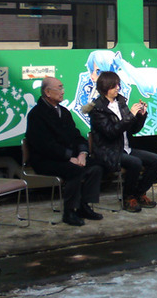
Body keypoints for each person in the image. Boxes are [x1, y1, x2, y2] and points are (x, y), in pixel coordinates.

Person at [26, 77, 103, 226]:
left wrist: (82, 153)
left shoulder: (64, 112)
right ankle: (69, 211)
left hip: (68, 156)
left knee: (96, 166)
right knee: (75, 170)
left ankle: (84, 205)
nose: (63, 91)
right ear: (48, 92)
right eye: (59, 88)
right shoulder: (37, 115)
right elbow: (44, 145)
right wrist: (68, 157)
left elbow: (76, 135)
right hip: (45, 160)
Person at [88, 71, 157, 213]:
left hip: (125, 148)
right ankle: (128, 198)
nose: (118, 88)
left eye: (118, 84)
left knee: (156, 160)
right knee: (135, 162)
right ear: (105, 87)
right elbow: (110, 132)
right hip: (108, 151)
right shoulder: (97, 108)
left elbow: (133, 129)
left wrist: (141, 116)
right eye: (114, 85)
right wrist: (130, 116)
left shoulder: (121, 102)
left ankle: (139, 193)